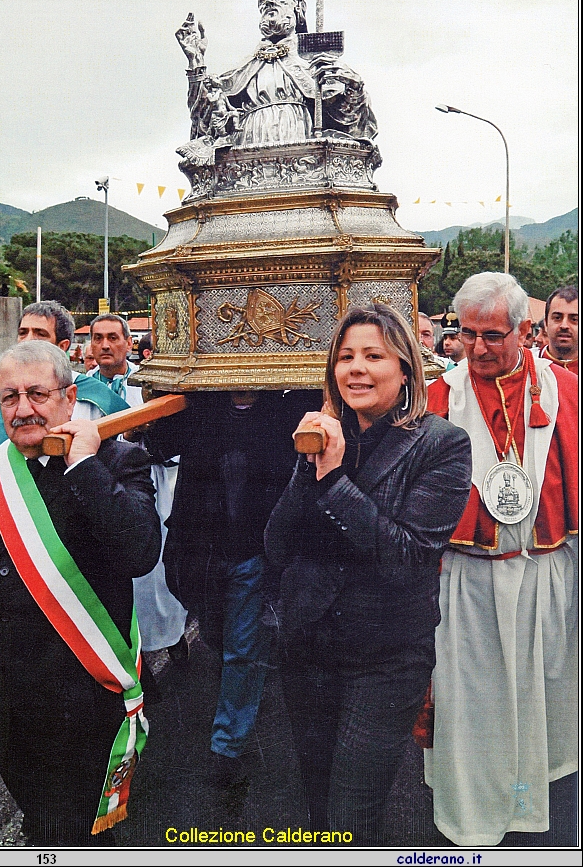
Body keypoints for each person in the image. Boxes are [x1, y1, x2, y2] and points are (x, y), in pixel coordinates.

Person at [263, 304, 472, 843]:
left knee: (353, 813)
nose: (355, 368)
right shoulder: (324, 434)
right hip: (308, 649)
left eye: (373, 356)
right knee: (315, 803)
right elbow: (277, 543)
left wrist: (332, 480)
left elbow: (406, 556)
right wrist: (308, 471)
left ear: (405, 369)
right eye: (346, 356)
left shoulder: (441, 445)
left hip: (384, 659)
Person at [0, 342, 161, 846]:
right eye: (10, 397)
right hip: (3, 704)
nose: (23, 410)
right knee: (45, 821)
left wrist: (83, 467)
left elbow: (140, 552)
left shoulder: (117, 461)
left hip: (85, 700)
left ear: (68, 398)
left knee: (69, 830)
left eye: (37, 394)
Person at [423, 272, 578, 846]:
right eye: (468, 335)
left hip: (545, 573)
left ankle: (539, 826)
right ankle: (471, 825)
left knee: (546, 701)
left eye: (494, 335)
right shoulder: (438, 397)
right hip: (467, 580)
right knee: (473, 709)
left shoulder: (565, 390)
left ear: (524, 331)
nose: (479, 348)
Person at [157, 387, 320, 785]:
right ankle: (234, 710)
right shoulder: (198, 408)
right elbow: (160, 445)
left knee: (242, 650)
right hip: (202, 555)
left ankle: (227, 745)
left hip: (254, 553)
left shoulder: (290, 408)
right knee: (219, 639)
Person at [175, 0, 376, 151]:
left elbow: (352, 122)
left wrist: (354, 87)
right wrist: (195, 61)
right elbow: (204, 122)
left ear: (298, 7)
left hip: (300, 152)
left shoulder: (314, 62)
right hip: (248, 157)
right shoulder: (244, 67)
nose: (269, 1)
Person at [0, 302, 128, 510]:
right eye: (23, 332)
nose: (28, 341)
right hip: (5, 512)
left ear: (62, 346)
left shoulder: (99, 399)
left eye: (40, 333)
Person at [88, 314, 188, 661]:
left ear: (129, 344)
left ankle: (170, 638)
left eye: (113, 337)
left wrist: (140, 433)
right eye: (98, 338)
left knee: (154, 569)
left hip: (150, 483)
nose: (104, 345)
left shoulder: (148, 384)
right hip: (100, 489)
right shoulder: (82, 389)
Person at [539, 285, 578, 374]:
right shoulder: (527, 365)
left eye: (574, 319)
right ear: (545, 323)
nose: (564, 326)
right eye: (557, 318)